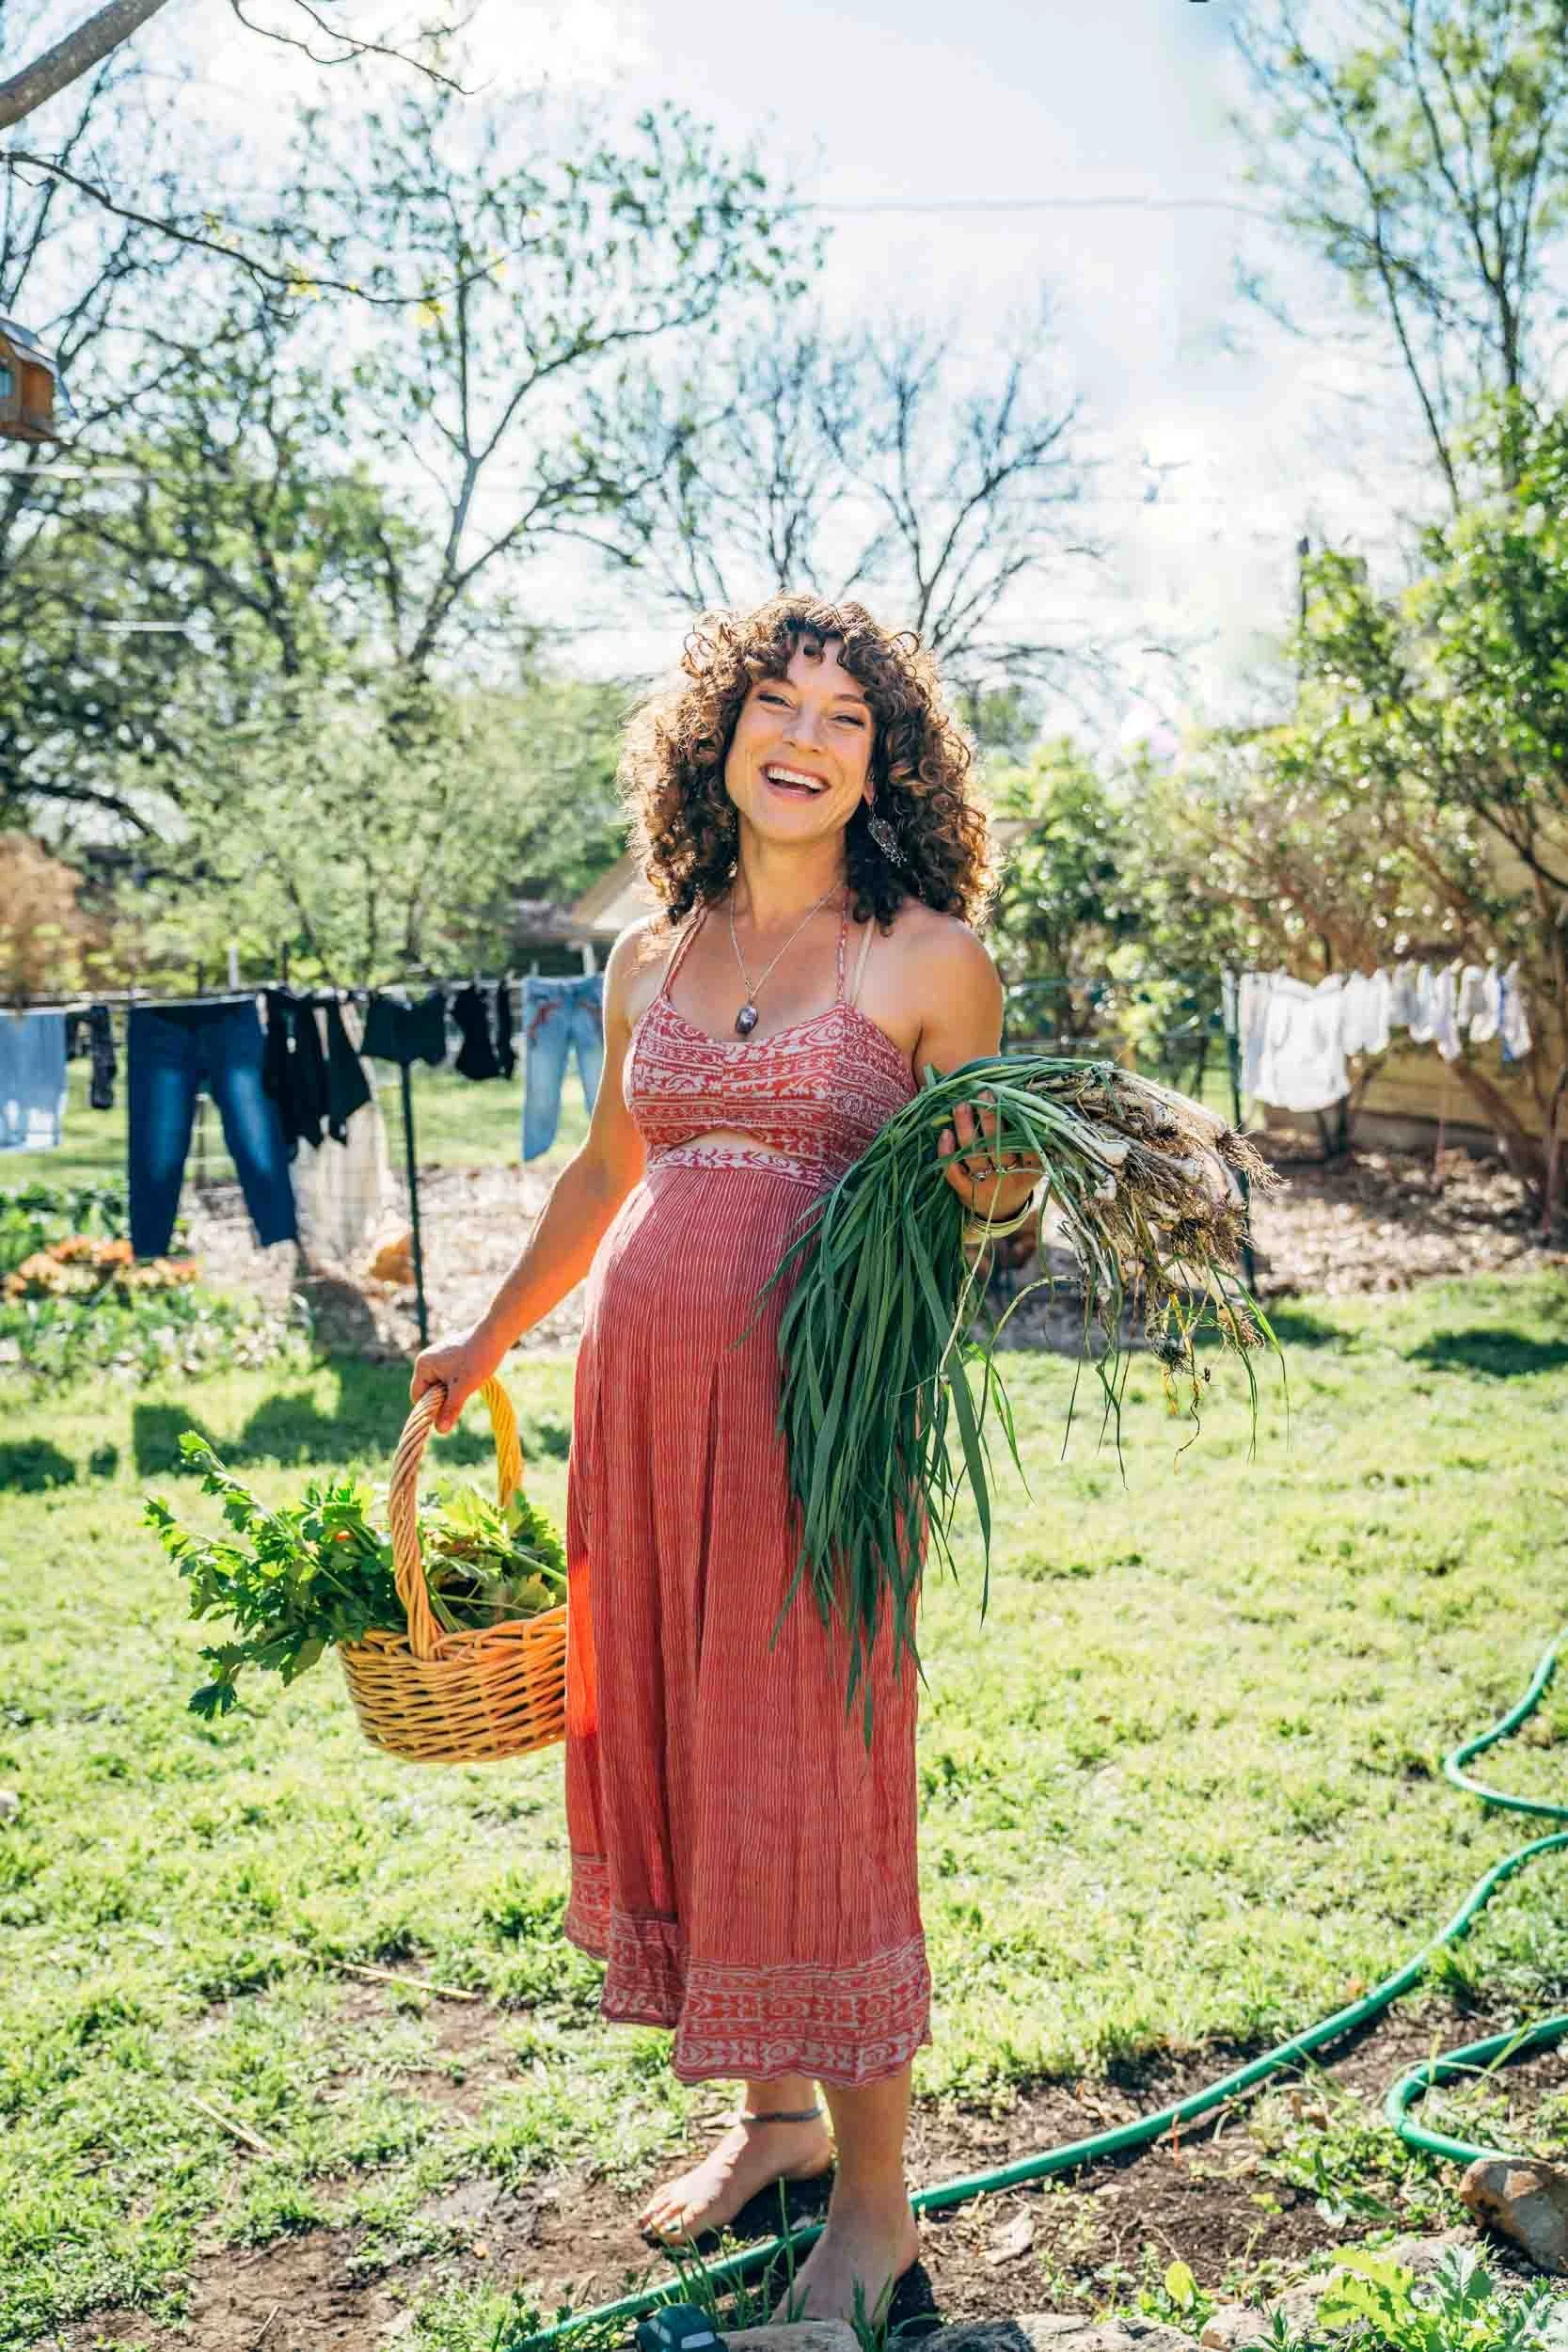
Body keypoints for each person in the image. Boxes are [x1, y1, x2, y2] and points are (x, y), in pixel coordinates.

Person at [411, 593, 1040, 2325]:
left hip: (808, 1443)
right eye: (777, 701)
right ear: (719, 733)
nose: (806, 737)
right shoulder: (651, 955)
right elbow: (605, 1177)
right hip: (639, 1430)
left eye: (847, 718)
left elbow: (988, 1205)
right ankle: (775, 2125)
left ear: (884, 761)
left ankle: (881, 2221)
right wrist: (488, 1334)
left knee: (807, 1791)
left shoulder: (925, 956)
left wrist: (998, 1177)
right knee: (692, 1759)